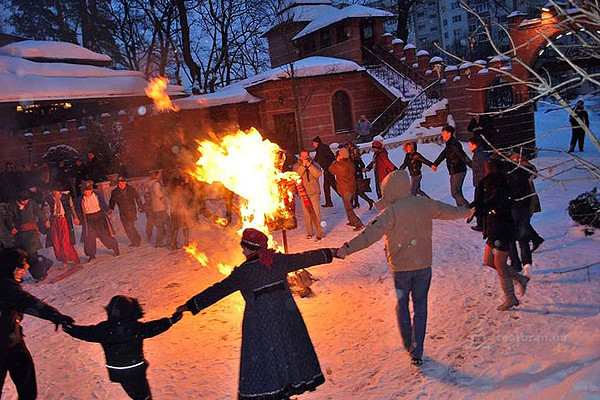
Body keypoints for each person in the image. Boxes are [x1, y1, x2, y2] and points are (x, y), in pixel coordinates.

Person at [175, 228, 336, 400]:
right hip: (286, 319)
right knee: (287, 351)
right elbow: (305, 258)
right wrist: (330, 253)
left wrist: (191, 305)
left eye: (244, 247)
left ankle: (273, 390)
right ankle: (288, 384)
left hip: (260, 324)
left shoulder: (244, 273)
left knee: (266, 359)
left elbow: (219, 290)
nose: (242, 250)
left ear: (251, 248)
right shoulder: (278, 260)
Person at [336, 170, 472, 366]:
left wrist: (347, 249)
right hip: (424, 266)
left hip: (401, 270)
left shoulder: (391, 212)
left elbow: (369, 235)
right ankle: (418, 349)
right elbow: (447, 210)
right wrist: (468, 211)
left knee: (402, 305)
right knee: (421, 306)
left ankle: (409, 342)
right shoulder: (424, 204)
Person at [62, 295, 181, 400]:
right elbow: (154, 327)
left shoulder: (103, 330)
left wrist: (70, 329)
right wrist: (171, 320)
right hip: (135, 370)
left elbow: (85, 333)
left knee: (133, 391)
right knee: (143, 395)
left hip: (118, 371)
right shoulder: (135, 328)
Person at [0, 247, 74, 399]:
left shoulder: (7, 282)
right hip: (5, 344)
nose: (23, 271)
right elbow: (28, 303)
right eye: (20, 267)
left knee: (27, 387)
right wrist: (55, 316)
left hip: (13, 342)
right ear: (10, 266)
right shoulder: (6, 287)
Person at [471, 159, 530, 311]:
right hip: (493, 226)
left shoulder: (503, 184)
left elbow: (494, 203)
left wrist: (480, 207)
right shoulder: (486, 184)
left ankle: (510, 298)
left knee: (500, 264)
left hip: (502, 226)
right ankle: (520, 278)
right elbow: (480, 203)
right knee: (489, 260)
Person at [4, 191, 52, 280]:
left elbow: (39, 212)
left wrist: (45, 220)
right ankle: (41, 267)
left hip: (31, 234)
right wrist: (12, 228)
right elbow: (7, 219)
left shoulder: (31, 203)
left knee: (31, 255)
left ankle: (39, 273)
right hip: (19, 235)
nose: (26, 202)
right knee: (22, 256)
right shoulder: (13, 206)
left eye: (27, 200)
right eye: (24, 201)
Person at [79, 182, 120, 262]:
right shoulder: (81, 199)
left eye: (88, 190)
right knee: (89, 238)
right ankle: (91, 255)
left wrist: (108, 210)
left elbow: (103, 204)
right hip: (89, 220)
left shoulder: (97, 196)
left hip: (99, 218)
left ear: (91, 190)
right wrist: (78, 219)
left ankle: (115, 247)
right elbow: (79, 210)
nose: (87, 192)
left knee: (104, 235)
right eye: (85, 191)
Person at [433, 125, 472, 207]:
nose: (442, 135)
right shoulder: (449, 144)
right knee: (457, 192)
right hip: (454, 170)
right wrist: (435, 164)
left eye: (443, 133)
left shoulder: (454, 144)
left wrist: (472, 165)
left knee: (455, 193)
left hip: (458, 170)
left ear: (449, 133)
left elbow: (462, 155)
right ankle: (461, 209)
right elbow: (443, 155)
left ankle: (469, 209)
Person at [293, 150, 324, 240]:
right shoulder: (296, 166)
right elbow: (296, 175)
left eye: (307, 156)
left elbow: (318, 174)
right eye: (303, 156)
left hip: (314, 192)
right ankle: (309, 232)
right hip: (303, 193)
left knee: (316, 213)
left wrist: (310, 166)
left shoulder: (314, 164)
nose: (305, 158)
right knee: (307, 214)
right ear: (300, 157)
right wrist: (303, 166)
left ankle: (319, 233)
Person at [329, 148, 364, 230]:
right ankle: (351, 220)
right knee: (348, 205)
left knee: (348, 207)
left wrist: (335, 161)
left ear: (341, 156)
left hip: (345, 189)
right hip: (351, 187)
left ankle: (358, 223)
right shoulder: (350, 163)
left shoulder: (339, 165)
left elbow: (330, 169)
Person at [45, 187, 81, 268]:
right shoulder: (48, 199)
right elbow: (46, 211)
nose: (56, 192)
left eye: (57, 190)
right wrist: (47, 220)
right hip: (54, 220)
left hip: (64, 219)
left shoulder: (66, 197)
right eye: (54, 191)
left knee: (65, 241)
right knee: (56, 242)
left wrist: (75, 217)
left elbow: (72, 208)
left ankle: (74, 258)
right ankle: (63, 260)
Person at [109, 177, 143, 248]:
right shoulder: (115, 192)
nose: (120, 185)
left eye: (122, 183)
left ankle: (137, 240)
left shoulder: (131, 189)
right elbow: (112, 201)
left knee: (130, 226)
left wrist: (140, 205)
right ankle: (134, 240)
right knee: (126, 227)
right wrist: (111, 209)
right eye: (119, 183)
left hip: (131, 210)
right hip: (123, 212)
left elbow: (137, 197)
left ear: (125, 182)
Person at [467, 136, 490, 231]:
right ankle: (481, 222)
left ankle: (481, 224)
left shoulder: (480, 154)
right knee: (480, 203)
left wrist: (485, 181)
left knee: (479, 203)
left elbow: (486, 168)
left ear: (475, 144)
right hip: (480, 182)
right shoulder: (478, 154)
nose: (469, 147)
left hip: (482, 183)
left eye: (470, 145)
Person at [345, 142, 374, 210]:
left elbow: (355, 166)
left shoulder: (351, 158)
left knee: (357, 190)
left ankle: (368, 201)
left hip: (355, 175)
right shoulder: (356, 156)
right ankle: (356, 203)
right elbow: (361, 164)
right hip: (357, 174)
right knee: (355, 190)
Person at [145, 171, 171, 248]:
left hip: (155, 207)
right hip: (161, 207)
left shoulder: (149, 183)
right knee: (168, 225)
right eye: (159, 174)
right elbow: (158, 194)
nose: (160, 176)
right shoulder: (156, 183)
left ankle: (160, 242)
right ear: (156, 175)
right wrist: (164, 196)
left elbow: (147, 193)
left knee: (160, 226)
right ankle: (166, 241)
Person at [312, 136, 338, 207]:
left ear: (317, 143)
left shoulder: (321, 148)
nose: (313, 145)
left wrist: (312, 162)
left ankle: (346, 198)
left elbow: (319, 158)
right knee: (326, 187)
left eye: (314, 143)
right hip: (327, 169)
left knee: (333, 185)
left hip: (328, 170)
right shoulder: (321, 148)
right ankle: (328, 202)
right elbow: (318, 158)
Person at [169, 174, 194, 249]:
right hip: (180, 211)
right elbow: (187, 195)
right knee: (183, 226)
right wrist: (187, 183)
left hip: (176, 210)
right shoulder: (180, 188)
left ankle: (175, 243)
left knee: (177, 227)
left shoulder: (174, 189)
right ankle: (182, 243)